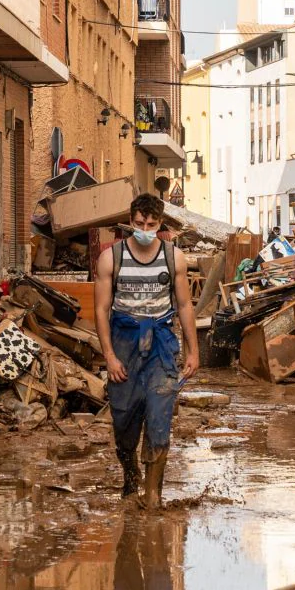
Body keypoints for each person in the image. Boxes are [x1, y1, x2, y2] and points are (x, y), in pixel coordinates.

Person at [94, 192, 198, 509]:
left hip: (162, 345)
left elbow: (183, 304)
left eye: (151, 224)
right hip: (124, 341)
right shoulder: (111, 258)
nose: (144, 228)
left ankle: (153, 496)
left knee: (159, 418)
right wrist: (109, 356)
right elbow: (100, 310)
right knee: (125, 423)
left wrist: (193, 351)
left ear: (160, 224)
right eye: (139, 223)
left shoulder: (173, 257)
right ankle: (130, 475)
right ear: (130, 220)